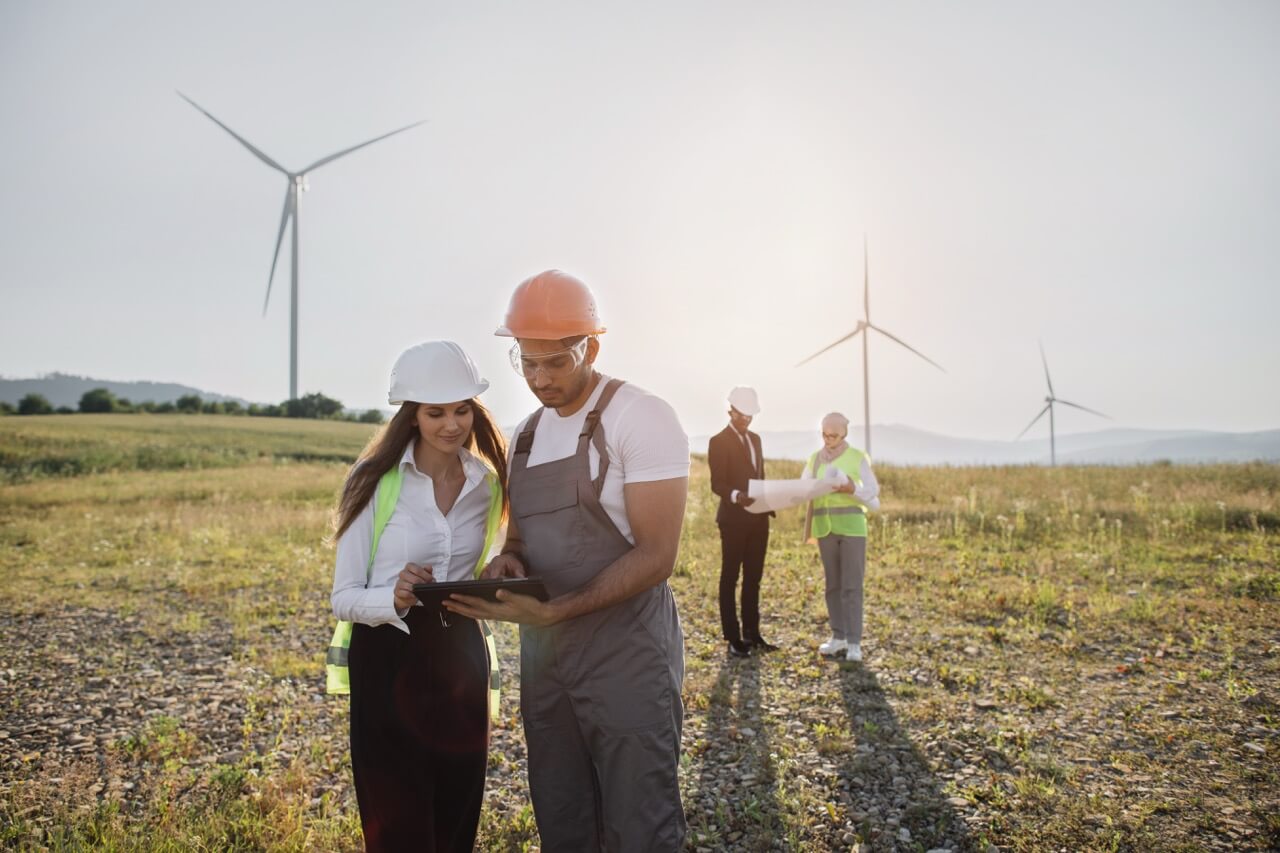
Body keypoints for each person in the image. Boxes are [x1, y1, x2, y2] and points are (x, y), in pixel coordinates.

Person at [444, 270, 690, 853]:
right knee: (563, 812)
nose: (539, 378)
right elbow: (520, 542)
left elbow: (658, 556)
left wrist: (563, 612)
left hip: (625, 651)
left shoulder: (641, 417)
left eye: (555, 362)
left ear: (591, 348)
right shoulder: (524, 436)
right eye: (526, 363)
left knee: (640, 819)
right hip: (546, 658)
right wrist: (507, 564)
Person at [329, 340, 507, 852]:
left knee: (457, 813)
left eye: (462, 410)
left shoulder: (487, 484)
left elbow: (479, 566)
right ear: (411, 416)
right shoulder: (373, 481)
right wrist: (396, 596)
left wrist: (499, 569)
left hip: (462, 659)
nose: (452, 425)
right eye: (435, 413)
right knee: (399, 826)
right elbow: (342, 597)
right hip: (388, 656)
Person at [802, 412, 880, 663]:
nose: (828, 439)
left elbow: (872, 492)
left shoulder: (857, 458)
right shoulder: (814, 460)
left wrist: (851, 489)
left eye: (833, 435)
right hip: (825, 528)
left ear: (844, 434)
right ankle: (838, 637)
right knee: (833, 586)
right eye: (824, 434)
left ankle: (854, 642)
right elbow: (804, 487)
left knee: (851, 587)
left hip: (853, 529)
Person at [708, 386, 777, 657]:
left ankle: (753, 633)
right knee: (730, 577)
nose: (746, 419)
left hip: (760, 519)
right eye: (742, 415)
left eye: (750, 415)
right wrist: (738, 497)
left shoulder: (757, 440)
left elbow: (759, 474)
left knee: (754, 578)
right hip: (733, 520)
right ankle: (733, 637)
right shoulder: (718, 441)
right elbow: (718, 484)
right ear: (731, 411)